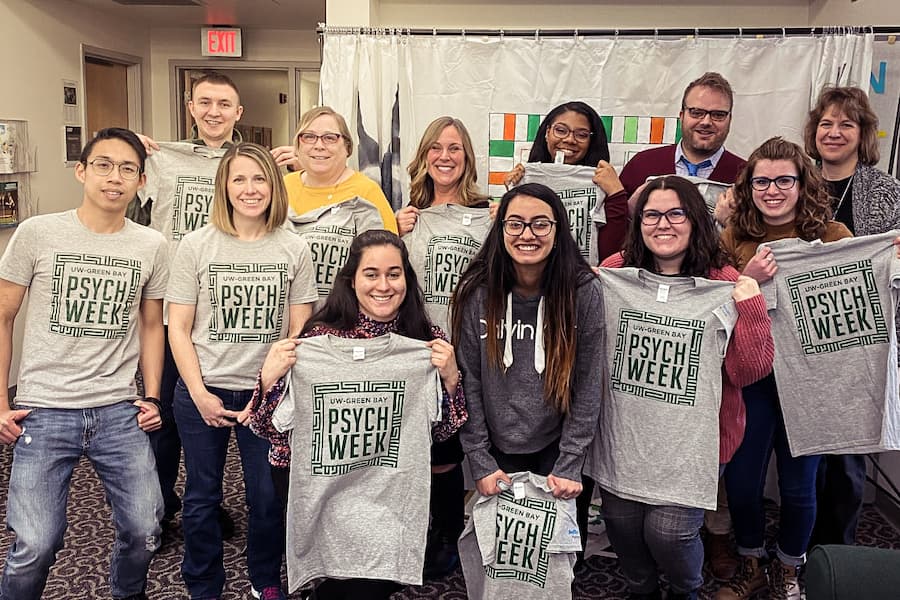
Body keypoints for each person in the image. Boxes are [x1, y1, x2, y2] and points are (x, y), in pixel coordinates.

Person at [249, 229, 466, 599]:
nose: (384, 285)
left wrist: (450, 378)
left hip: (388, 483)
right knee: (346, 574)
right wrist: (268, 378)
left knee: (379, 575)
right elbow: (266, 426)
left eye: (394, 274)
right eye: (372, 274)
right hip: (321, 479)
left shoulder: (423, 340)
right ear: (351, 280)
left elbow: (443, 431)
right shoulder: (317, 340)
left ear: (406, 279)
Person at [0, 127, 167, 600]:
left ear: (140, 180)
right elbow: (3, 316)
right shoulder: (38, 232)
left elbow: (152, 324)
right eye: (104, 165)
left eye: (128, 169)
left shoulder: (151, 245)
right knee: (36, 544)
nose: (115, 178)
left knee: (146, 529)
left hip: (118, 409)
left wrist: (151, 395)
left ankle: (126, 594)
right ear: (82, 171)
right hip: (43, 409)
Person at [594, 176, 773, 600]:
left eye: (676, 213)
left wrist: (748, 304)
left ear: (695, 220)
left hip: (696, 441)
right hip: (626, 434)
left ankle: (685, 590)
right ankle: (640, 589)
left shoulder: (723, 281)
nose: (663, 224)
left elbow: (750, 371)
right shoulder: (615, 273)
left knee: (669, 534)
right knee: (622, 526)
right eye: (652, 215)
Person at [167, 142, 317, 600]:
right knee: (201, 498)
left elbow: (299, 328)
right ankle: (202, 582)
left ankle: (265, 577)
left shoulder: (294, 247)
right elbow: (179, 328)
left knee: (267, 498)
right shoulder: (195, 245)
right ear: (224, 187)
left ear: (274, 185)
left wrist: (267, 388)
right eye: (239, 179)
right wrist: (197, 392)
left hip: (267, 394)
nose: (250, 189)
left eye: (259, 179)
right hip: (203, 388)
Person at [717, 137, 852, 600]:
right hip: (751, 377)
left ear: (802, 183)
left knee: (799, 485)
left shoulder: (834, 236)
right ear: (748, 186)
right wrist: (746, 277)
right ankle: (751, 561)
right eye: (761, 181)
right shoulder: (734, 237)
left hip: (810, 384)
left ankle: (789, 568)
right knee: (741, 479)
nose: (772, 190)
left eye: (783, 180)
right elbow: (713, 303)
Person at [128, 71, 252, 538]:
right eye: (205, 102)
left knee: (221, 419)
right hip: (171, 310)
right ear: (191, 107)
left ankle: (210, 503)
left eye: (224, 104)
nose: (214, 112)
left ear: (238, 113)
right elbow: (110, 174)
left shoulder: (253, 164)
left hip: (227, 312)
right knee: (161, 418)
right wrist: (127, 145)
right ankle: (159, 510)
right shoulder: (160, 161)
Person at [452, 182, 604, 555]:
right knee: (506, 554)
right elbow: (467, 381)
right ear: (501, 228)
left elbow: (588, 385)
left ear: (558, 230)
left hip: (559, 444)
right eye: (515, 223)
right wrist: (481, 461)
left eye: (540, 224)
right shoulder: (477, 291)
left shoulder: (582, 290)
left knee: (557, 556)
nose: (527, 234)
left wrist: (571, 463)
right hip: (497, 445)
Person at [803, 86, 900, 548]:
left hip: (859, 344)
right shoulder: (795, 182)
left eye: (846, 124)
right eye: (826, 123)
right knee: (802, 460)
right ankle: (794, 552)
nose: (834, 132)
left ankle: (835, 553)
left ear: (863, 134)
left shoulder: (886, 190)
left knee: (846, 461)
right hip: (801, 341)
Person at [398, 116, 490, 578]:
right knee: (414, 448)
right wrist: (397, 232)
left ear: (467, 157)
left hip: (466, 351)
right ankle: (419, 528)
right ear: (424, 157)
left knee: (448, 451)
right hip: (414, 350)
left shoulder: (488, 211)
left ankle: (448, 532)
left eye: (454, 148)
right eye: (435, 147)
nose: (445, 156)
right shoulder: (408, 214)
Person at [502, 102, 625, 260]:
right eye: (560, 130)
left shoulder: (600, 180)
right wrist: (512, 194)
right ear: (547, 132)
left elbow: (613, 251)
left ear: (591, 141)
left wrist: (616, 193)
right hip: (533, 277)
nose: (569, 139)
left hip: (580, 279)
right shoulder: (527, 176)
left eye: (581, 134)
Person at [285, 106, 398, 233]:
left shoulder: (366, 192)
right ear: (297, 146)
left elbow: (388, 249)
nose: (319, 146)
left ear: (347, 147)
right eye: (309, 137)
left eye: (329, 138)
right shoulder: (283, 187)